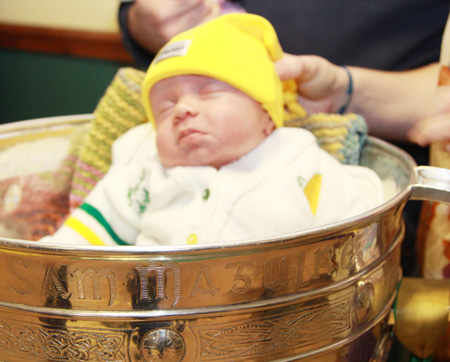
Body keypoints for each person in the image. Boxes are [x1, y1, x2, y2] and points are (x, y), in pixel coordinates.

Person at [41, 13, 383, 246]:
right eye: (164, 108)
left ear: (267, 115)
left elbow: (357, 217)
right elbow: (87, 235)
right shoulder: (146, 173)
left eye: (209, 92)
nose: (182, 110)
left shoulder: (296, 156)